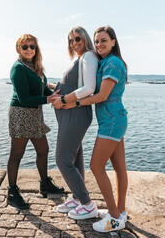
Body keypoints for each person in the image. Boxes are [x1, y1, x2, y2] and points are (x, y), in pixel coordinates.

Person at [60, 26, 128, 232]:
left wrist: (74, 103)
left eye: (104, 41)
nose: (99, 44)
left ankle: (115, 218)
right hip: (114, 119)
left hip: (112, 121)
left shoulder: (113, 63)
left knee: (96, 166)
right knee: (119, 168)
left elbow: (102, 96)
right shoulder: (105, 61)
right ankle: (121, 211)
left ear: (113, 42)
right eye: (97, 41)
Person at [7, 34, 64, 209]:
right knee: (17, 154)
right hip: (21, 113)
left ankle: (44, 184)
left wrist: (58, 95)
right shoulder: (18, 68)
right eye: (25, 47)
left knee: (43, 150)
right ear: (19, 49)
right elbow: (24, 99)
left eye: (32, 46)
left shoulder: (35, 66)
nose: (29, 49)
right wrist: (48, 100)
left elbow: (43, 88)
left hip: (35, 113)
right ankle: (12, 192)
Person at [52, 26, 99, 220]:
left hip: (75, 114)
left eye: (77, 39)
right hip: (70, 115)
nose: (74, 43)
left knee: (62, 159)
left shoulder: (88, 57)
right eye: (71, 40)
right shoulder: (80, 59)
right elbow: (75, 86)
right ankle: (78, 198)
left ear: (85, 38)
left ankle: (87, 204)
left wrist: (63, 100)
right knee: (75, 158)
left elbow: (89, 88)